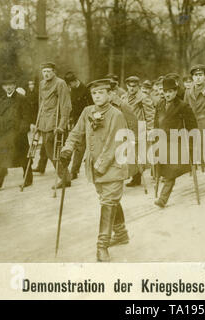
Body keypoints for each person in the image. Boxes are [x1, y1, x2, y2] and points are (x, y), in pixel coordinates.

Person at [60, 78, 128, 262]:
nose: (97, 96)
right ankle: (121, 234)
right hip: (95, 168)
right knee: (110, 200)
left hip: (112, 166)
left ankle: (102, 246)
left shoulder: (116, 114)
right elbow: (76, 132)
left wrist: (101, 165)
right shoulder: (87, 111)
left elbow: (117, 143)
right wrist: (67, 149)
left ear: (109, 94)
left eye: (101, 93)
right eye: (94, 93)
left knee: (108, 202)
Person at [153, 77, 197, 208]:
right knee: (161, 169)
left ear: (176, 91)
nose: (168, 94)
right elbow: (156, 122)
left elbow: (192, 127)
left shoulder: (183, 106)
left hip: (177, 143)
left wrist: (190, 145)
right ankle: (162, 195)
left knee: (171, 171)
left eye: (171, 91)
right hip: (161, 142)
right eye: (166, 91)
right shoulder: (160, 104)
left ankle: (163, 198)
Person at [0, 76, 33, 190]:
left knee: (24, 158)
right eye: (6, 85)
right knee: (2, 157)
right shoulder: (2, 99)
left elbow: (27, 116)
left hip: (18, 134)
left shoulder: (21, 98)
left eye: (10, 85)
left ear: (14, 86)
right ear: (3, 87)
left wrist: (22, 130)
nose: (8, 87)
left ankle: (28, 179)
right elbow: (0, 116)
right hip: (5, 134)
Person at [37, 62, 72, 189]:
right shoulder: (41, 84)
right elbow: (40, 104)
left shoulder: (60, 83)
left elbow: (66, 105)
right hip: (44, 123)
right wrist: (38, 123)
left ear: (54, 72)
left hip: (55, 123)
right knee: (49, 150)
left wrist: (62, 125)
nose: (46, 74)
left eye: (48, 71)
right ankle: (66, 177)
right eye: (44, 71)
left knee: (54, 152)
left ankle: (65, 178)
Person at [122, 76, 155, 187]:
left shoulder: (143, 98)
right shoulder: (123, 97)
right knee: (130, 153)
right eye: (129, 86)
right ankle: (135, 177)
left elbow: (150, 115)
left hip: (140, 128)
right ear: (126, 86)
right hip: (127, 129)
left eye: (134, 86)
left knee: (139, 154)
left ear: (138, 86)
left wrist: (150, 129)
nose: (131, 89)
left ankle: (138, 177)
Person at [64, 71, 93, 180]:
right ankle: (74, 171)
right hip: (77, 122)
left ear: (74, 81)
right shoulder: (72, 91)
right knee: (78, 146)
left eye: (71, 83)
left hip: (88, 121)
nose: (70, 85)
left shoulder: (86, 90)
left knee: (81, 147)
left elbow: (92, 106)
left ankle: (74, 171)